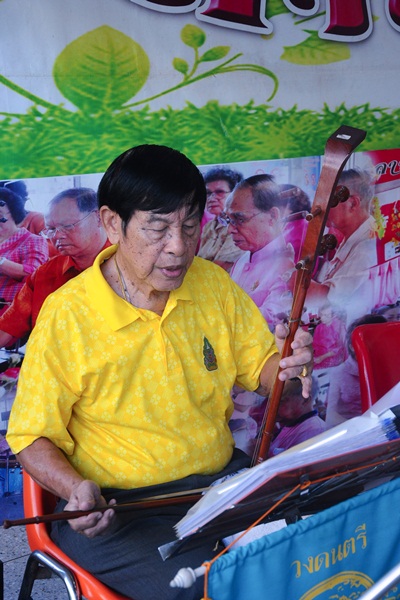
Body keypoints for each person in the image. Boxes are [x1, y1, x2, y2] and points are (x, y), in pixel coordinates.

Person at [7, 144, 313, 600]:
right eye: (157, 227)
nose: (178, 247)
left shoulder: (212, 285)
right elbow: (31, 434)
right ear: (113, 223)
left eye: (190, 226)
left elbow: (267, 373)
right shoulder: (69, 313)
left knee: (317, 551)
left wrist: (291, 367)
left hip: (221, 486)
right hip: (123, 509)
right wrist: (74, 489)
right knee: (216, 586)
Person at [0, 188, 108, 348]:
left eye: (67, 226)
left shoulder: (130, 267)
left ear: (99, 218)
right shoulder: (44, 275)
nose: (57, 236)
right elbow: (9, 325)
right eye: (50, 229)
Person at [224, 174, 295, 331]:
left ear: (273, 216)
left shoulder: (287, 267)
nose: (230, 229)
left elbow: (273, 324)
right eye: (228, 220)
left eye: (239, 219)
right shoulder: (243, 259)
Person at [310, 168, 378, 322]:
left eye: (328, 202)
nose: (321, 209)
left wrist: (288, 271)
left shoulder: (367, 246)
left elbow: (328, 298)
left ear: (352, 203)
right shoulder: (353, 237)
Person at [325, 313, 387, 427]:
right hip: (352, 430)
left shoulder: (387, 366)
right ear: (353, 346)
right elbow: (331, 416)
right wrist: (361, 427)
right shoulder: (340, 372)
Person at [0, 188, 48, 313]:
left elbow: (34, 274)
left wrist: (2, 263)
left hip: (13, 313)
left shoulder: (33, 241)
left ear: (14, 213)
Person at [197, 166, 244, 271]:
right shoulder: (209, 226)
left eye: (219, 192)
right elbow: (199, 261)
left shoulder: (239, 227)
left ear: (234, 194)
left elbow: (218, 269)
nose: (212, 198)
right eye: (208, 193)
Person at [268, 378, 326, 457]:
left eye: (281, 401)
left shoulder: (313, 431)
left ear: (305, 400)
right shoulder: (291, 424)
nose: (273, 408)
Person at [312, 303, 347, 370]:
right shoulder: (319, 327)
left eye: (326, 315)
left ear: (334, 315)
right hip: (318, 357)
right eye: (321, 314)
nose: (322, 318)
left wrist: (322, 357)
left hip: (334, 360)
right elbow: (315, 344)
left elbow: (339, 348)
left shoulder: (340, 327)